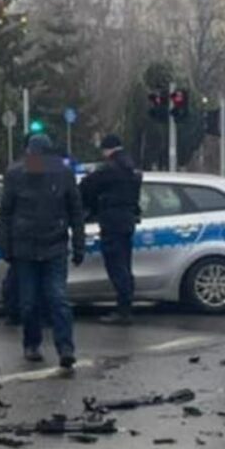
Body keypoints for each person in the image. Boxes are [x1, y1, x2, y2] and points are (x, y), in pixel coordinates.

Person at [0, 134, 84, 368]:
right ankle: (32, 344)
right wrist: (6, 247)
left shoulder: (62, 174)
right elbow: (5, 213)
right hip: (25, 249)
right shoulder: (16, 174)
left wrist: (78, 244)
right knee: (30, 302)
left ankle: (65, 348)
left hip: (53, 246)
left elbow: (76, 211)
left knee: (56, 298)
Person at [80, 133, 142, 324]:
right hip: (127, 220)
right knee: (124, 265)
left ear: (107, 149)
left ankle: (123, 312)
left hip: (112, 221)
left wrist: (89, 208)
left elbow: (86, 187)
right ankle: (126, 306)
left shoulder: (109, 168)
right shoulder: (130, 167)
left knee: (116, 266)